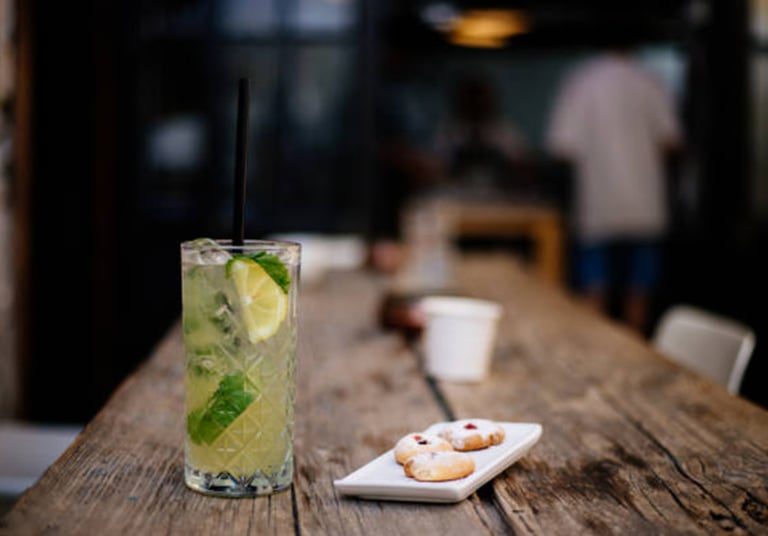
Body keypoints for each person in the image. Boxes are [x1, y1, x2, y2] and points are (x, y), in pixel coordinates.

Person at [546, 47, 683, 333]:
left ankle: (591, 351)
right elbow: (670, 142)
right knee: (638, 295)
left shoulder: (583, 81)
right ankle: (633, 354)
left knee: (594, 291)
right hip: (643, 205)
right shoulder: (650, 82)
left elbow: (562, 147)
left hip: (599, 204)